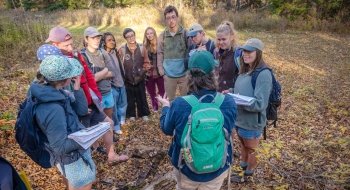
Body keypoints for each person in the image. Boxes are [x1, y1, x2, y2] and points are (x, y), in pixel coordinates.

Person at [157, 51, 237, 190]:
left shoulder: (180, 104)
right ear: (214, 74)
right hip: (218, 166)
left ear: (189, 75)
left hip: (186, 167)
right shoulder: (228, 101)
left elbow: (167, 129)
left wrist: (165, 108)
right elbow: (229, 129)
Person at [29, 55, 95, 190]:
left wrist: (76, 88)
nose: (73, 77)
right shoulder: (52, 108)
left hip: (73, 153)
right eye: (71, 76)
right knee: (85, 182)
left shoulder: (55, 92)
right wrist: (87, 137)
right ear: (65, 80)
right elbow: (59, 147)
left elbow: (82, 111)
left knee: (76, 183)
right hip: (70, 158)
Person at [81, 26, 129, 163]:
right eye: (93, 38)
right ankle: (95, 147)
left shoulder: (103, 53)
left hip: (107, 92)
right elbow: (91, 78)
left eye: (98, 37)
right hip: (93, 97)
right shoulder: (83, 56)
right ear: (86, 39)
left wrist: (98, 75)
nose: (96, 40)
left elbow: (113, 72)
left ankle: (109, 150)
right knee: (93, 124)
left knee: (108, 121)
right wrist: (103, 73)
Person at [229, 38, 272, 182]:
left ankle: (248, 176)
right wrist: (229, 92)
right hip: (240, 119)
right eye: (244, 51)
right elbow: (240, 90)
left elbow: (261, 104)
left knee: (251, 149)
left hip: (252, 122)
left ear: (258, 53)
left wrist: (240, 101)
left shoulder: (263, 74)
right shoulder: (245, 69)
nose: (245, 54)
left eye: (250, 51)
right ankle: (242, 171)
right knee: (243, 146)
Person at [157, 5, 189, 101]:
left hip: (184, 75)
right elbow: (160, 53)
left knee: (187, 101)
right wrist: (162, 72)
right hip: (169, 75)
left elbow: (190, 51)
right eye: (168, 18)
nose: (171, 20)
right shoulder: (162, 36)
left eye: (173, 17)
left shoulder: (185, 33)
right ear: (165, 20)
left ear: (177, 18)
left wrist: (188, 71)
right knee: (170, 102)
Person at [118, 28, 150, 121]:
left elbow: (146, 62)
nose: (131, 38)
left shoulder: (141, 47)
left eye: (132, 35)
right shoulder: (122, 49)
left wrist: (143, 71)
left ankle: (143, 113)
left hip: (140, 78)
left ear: (134, 35)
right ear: (125, 38)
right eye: (128, 36)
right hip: (128, 79)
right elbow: (119, 63)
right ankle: (131, 114)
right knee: (130, 97)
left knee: (142, 96)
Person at [101, 32, 127, 134]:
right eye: (109, 40)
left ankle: (122, 119)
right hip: (112, 85)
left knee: (123, 103)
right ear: (104, 42)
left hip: (121, 82)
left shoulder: (115, 52)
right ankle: (116, 126)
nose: (112, 42)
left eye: (113, 40)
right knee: (114, 107)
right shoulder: (102, 55)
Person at [143, 27, 165, 112]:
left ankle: (164, 105)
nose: (149, 35)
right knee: (151, 92)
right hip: (149, 74)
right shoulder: (144, 46)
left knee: (162, 91)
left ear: (154, 33)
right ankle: (155, 106)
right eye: (147, 34)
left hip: (160, 72)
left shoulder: (160, 44)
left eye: (151, 33)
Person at [214, 21, 240, 92]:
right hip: (219, 93)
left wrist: (233, 90)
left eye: (224, 39)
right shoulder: (217, 52)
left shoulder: (238, 54)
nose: (221, 42)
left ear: (231, 37)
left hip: (233, 95)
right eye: (219, 39)